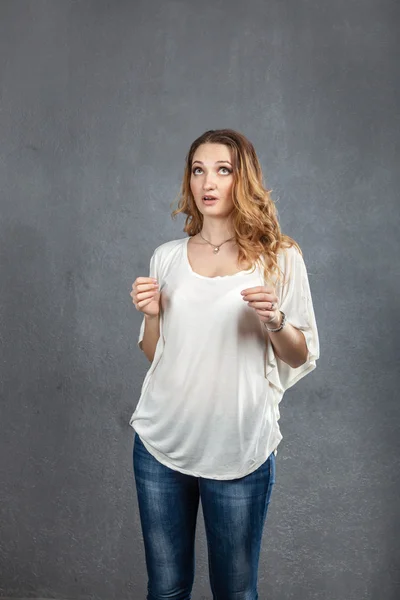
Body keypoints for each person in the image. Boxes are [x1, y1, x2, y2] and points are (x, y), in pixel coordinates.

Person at [129, 128, 320, 600]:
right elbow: (156, 354)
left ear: (244, 179)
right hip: (161, 444)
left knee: (235, 592)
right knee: (166, 589)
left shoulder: (280, 258)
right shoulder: (166, 258)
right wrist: (153, 318)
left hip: (239, 447)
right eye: (198, 170)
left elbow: (301, 353)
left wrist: (276, 320)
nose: (207, 182)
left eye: (223, 170)